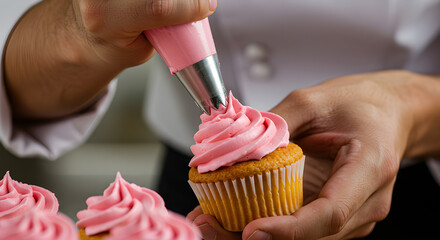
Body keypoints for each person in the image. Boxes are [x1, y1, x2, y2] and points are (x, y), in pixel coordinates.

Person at [1, 0, 439, 239]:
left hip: (416, 189)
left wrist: (414, 109)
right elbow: (20, 79)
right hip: (193, 198)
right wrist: (81, 28)